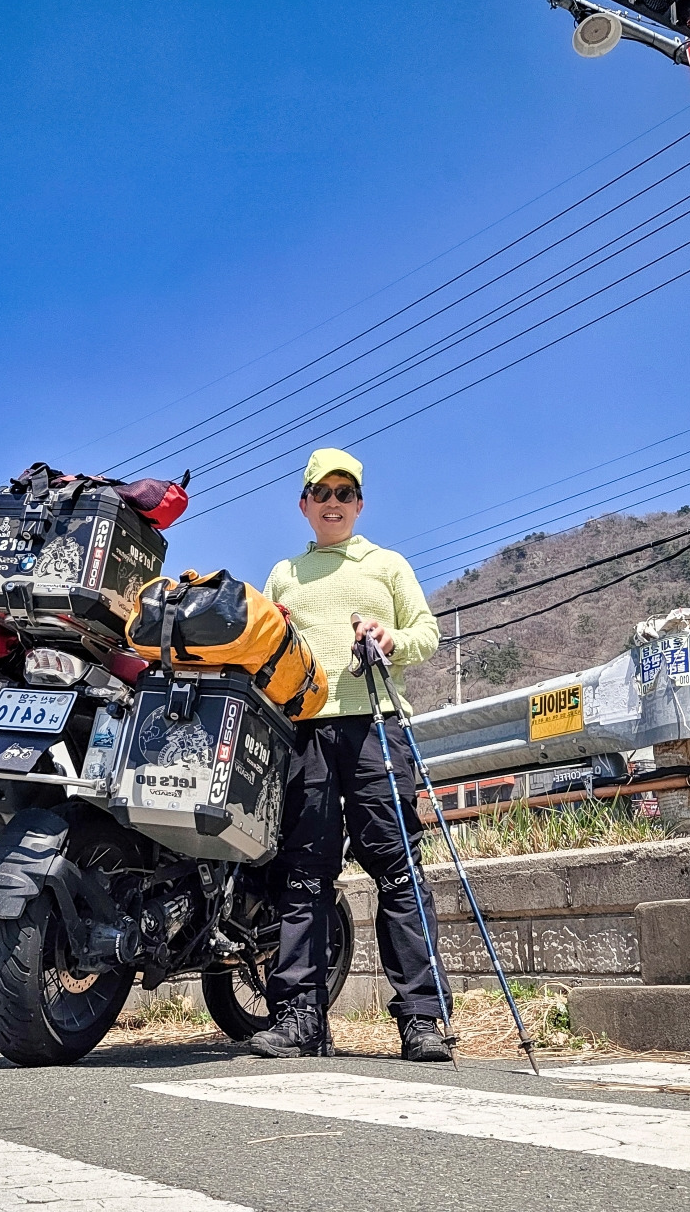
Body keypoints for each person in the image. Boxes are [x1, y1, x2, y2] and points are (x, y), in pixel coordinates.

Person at [251, 447, 453, 1061]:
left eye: (345, 493)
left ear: (359, 504)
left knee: (397, 868)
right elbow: (263, 644)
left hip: (376, 725)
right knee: (304, 872)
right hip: (305, 732)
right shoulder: (284, 573)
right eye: (323, 493)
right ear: (304, 505)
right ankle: (300, 1021)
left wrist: (390, 638)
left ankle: (422, 1020)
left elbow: (427, 633)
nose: (333, 503)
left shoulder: (387, 565)